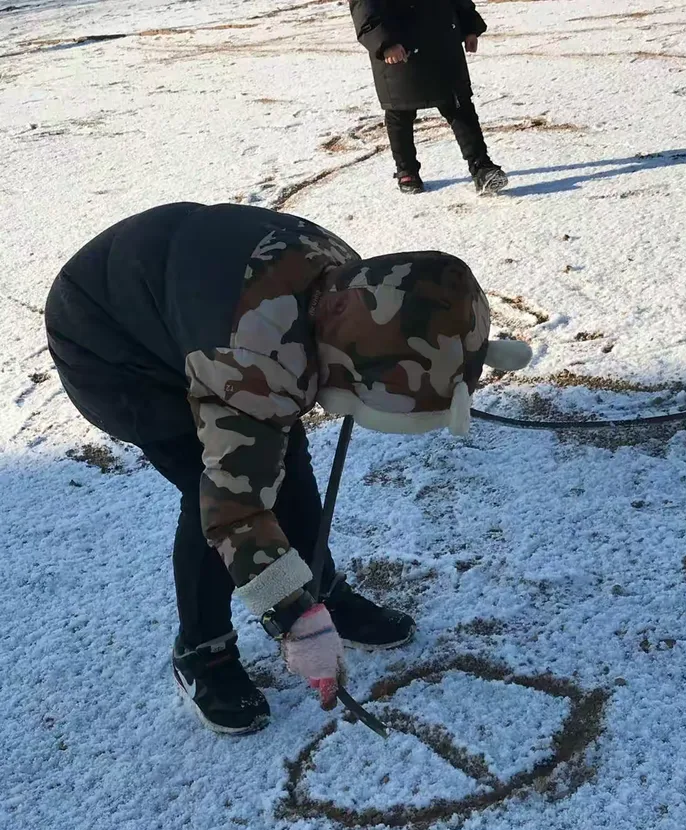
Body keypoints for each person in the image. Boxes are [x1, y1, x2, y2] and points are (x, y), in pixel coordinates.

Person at [45, 202, 531, 736]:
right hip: (112, 342)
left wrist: (306, 597)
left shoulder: (359, 293)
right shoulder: (256, 358)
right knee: (207, 487)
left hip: (189, 304)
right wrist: (295, 623)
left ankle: (321, 586)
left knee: (280, 456)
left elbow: (272, 419)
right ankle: (201, 650)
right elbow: (234, 508)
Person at [349, 0, 508, 195]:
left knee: (459, 105)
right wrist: (385, 44)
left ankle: (482, 167)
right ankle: (406, 171)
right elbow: (364, 10)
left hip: (442, 41)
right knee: (400, 111)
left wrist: (469, 27)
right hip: (398, 47)